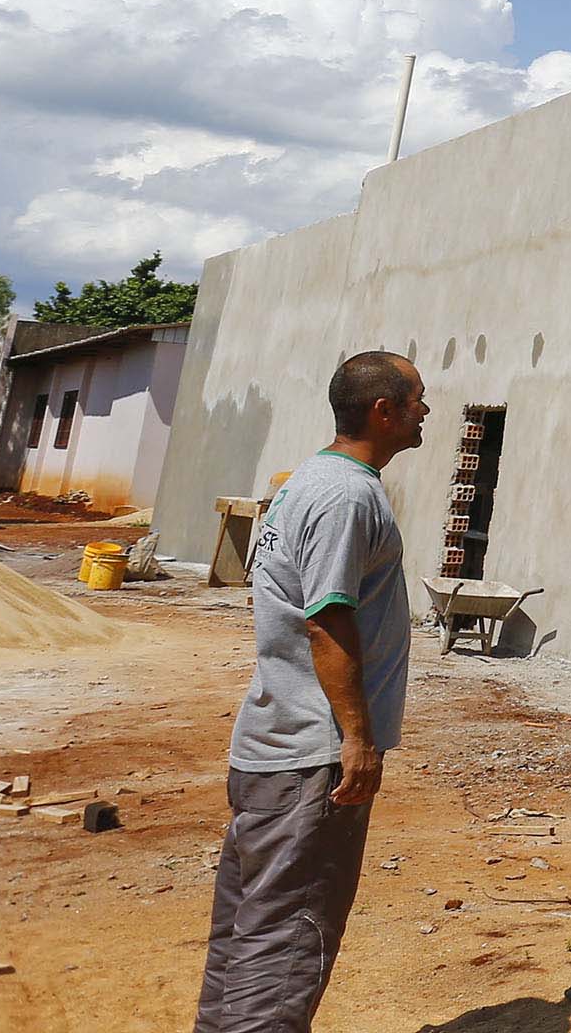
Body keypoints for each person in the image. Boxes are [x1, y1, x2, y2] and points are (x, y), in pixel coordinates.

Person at [195, 350, 427, 1032]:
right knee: (287, 942)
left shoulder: (307, 482)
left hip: (274, 744)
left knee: (247, 932)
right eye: (417, 399)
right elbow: (326, 617)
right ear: (383, 411)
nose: (424, 413)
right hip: (311, 758)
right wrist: (357, 737)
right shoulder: (347, 496)